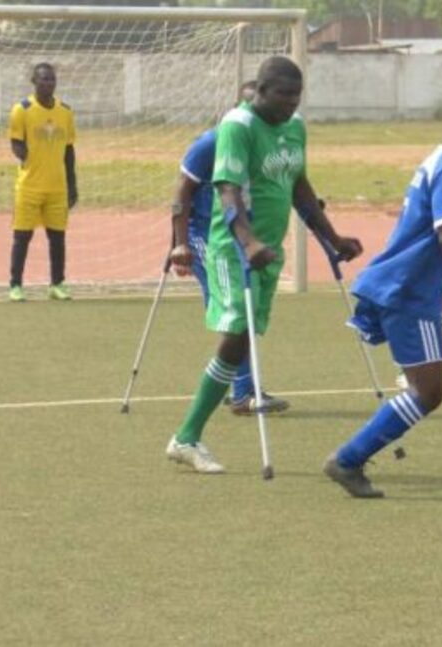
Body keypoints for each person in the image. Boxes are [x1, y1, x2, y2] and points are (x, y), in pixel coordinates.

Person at [165, 56, 362, 474]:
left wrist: (333, 237)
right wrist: (248, 241)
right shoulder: (238, 126)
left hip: (268, 252)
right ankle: (187, 437)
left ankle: (198, 427)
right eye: (283, 95)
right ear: (261, 91)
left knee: (243, 338)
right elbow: (227, 190)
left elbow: (300, 187)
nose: (291, 104)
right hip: (231, 249)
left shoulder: (295, 128)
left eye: (297, 96)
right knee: (236, 333)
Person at [324, 111, 442, 499]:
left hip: (402, 285)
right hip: (408, 291)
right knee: (428, 391)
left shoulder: (441, 162)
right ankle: (348, 459)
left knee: (422, 388)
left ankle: (350, 458)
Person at [168, 81, 290, 417]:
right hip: (205, 232)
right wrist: (179, 244)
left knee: (243, 315)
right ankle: (242, 392)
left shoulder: (264, 140)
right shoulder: (211, 142)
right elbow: (182, 193)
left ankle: (242, 388)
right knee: (237, 313)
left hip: (240, 232)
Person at [7, 62, 78, 302]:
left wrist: (72, 184)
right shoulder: (22, 110)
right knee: (22, 236)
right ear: (34, 82)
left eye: (52, 79)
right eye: (44, 79)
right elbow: (15, 142)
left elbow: (69, 151)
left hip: (57, 187)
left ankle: (57, 284)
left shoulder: (65, 112)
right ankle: (15, 285)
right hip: (29, 186)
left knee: (57, 237)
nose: (49, 83)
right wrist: (25, 154)